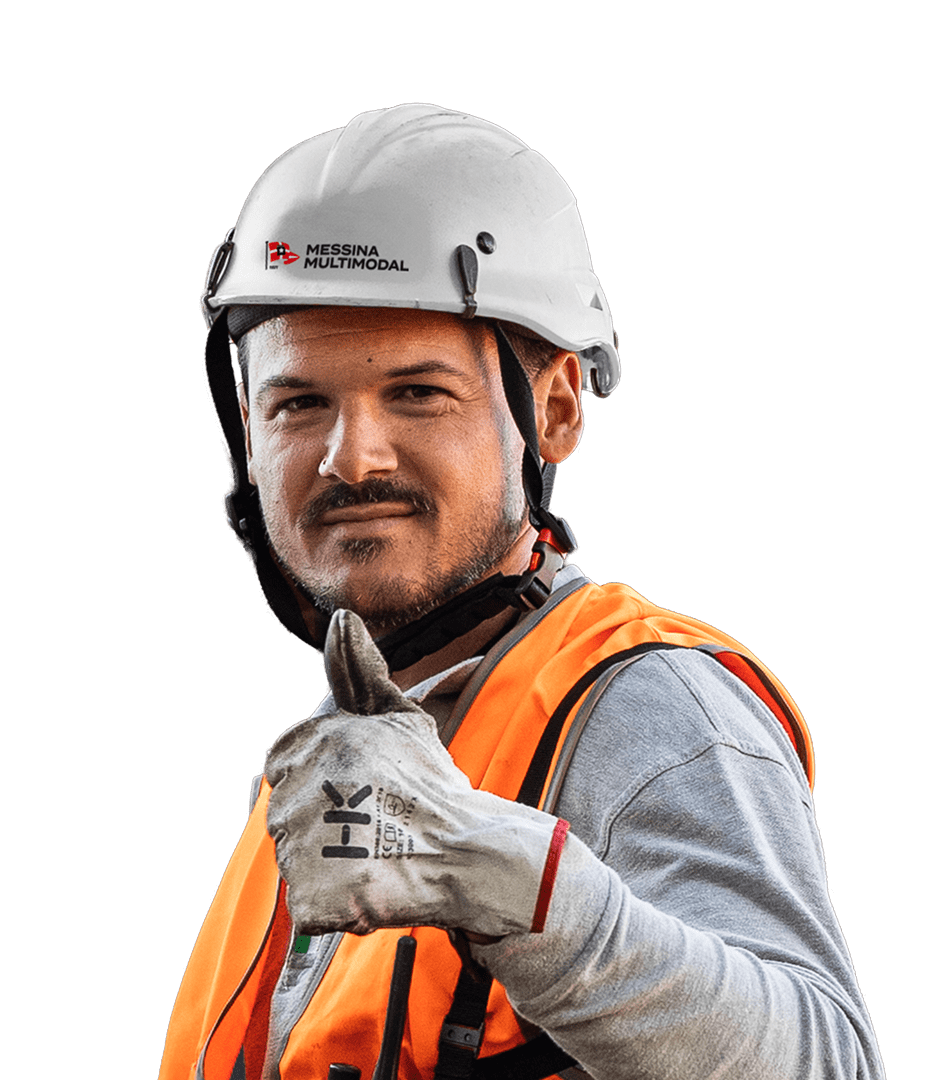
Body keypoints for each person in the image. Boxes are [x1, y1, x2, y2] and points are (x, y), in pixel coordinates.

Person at [159, 104, 885, 1080]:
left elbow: (829, 1065)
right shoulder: (343, 756)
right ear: (247, 430)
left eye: (417, 392)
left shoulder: (648, 714)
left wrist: (519, 888)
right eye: (300, 403)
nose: (350, 456)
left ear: (551, 410)